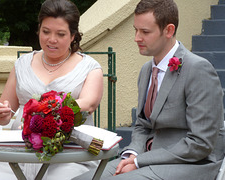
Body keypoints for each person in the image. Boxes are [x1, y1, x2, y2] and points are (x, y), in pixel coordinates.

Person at [74, 0, 225, 179]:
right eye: (135, 30)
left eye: (145, 32)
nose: (137, 38)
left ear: (168, 30)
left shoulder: (198, 69)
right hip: (147, 157)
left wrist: (140, 162)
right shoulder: (147, 70)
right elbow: (142, 125)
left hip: (192, 163)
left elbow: (200, 143)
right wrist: (132, 154)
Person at [0, 0, 103, 179]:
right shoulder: (22, 64)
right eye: (46, 31)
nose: (52, 39)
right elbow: (4, 113)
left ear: (73, 35)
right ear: (39, 30)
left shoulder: (90, 67)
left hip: (67, 154)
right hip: (20, 151)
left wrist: (44, 112)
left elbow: (88, 104)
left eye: (60, 34)